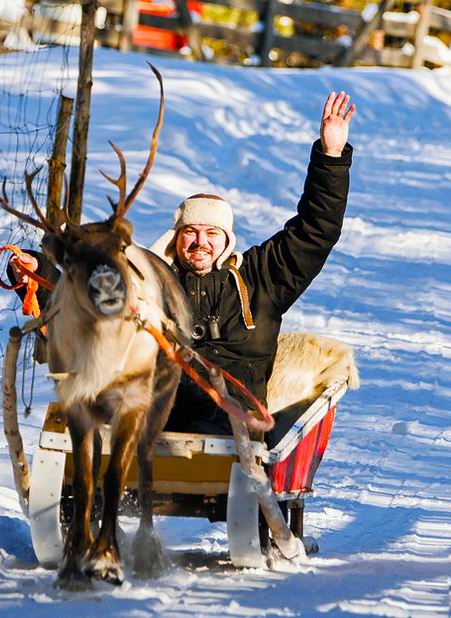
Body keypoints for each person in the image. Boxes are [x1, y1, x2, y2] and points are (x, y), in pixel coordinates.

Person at [151, 90, 355, 435]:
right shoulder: (152, 281)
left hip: (232, 423)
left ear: (227, 239)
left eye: (212, 233)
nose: (201, 242)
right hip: (161, 412)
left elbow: (315, 231)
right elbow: (90, 302)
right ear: (176, 237)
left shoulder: (260, 278)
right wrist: (38, 272)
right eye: (191, 232)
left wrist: (330, 156)